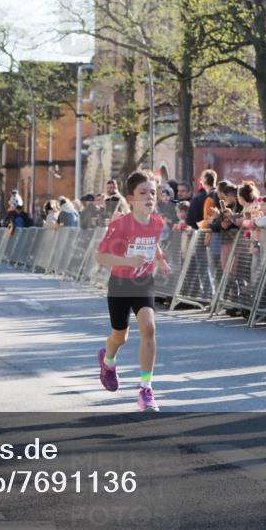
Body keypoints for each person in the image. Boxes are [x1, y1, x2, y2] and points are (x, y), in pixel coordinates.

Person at [94, 170, 171, 412]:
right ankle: (108, 360)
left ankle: (146, 390)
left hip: (143, 283)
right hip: (119, 284)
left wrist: (160, 260)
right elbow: (101, 256)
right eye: (143, 193)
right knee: (120, 337)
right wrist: (128, 262)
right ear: (131, 198)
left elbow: (152, 241)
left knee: (149, 327)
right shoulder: (120, 225)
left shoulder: (157, 222)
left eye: (153, 193)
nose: (150, 197)